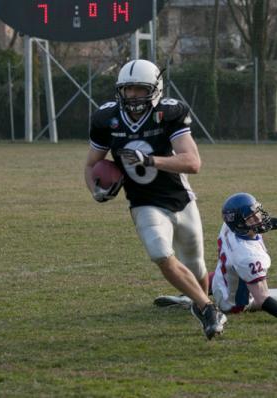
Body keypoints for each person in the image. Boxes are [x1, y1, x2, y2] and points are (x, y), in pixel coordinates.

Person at [84, 59, 226, 340]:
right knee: (161, 254)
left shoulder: (169, 113)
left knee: (196, 264)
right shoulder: (106, 119)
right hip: (143, 201)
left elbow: (193, 162)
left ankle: (198, 300)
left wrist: (150, 160)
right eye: (128, 90)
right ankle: (208, 308)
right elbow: (91, 165)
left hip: (180, 199)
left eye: (140, 89)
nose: (133, 96)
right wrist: (96, 190)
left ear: (155, 89)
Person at [155, 193, 277, 326]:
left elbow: (261, 223)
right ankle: (190, 301)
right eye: (252, 218)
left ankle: (192, 294)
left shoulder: (229, 226)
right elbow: (261, 298)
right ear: (241, 224)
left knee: (221, 272)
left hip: (220, 278)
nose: (258, 219)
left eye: (257, 213)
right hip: (233, 303)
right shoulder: (249, 255)